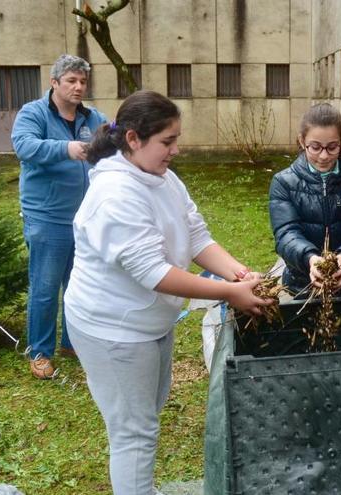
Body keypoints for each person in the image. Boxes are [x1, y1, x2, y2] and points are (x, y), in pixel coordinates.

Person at [63, 90, 269, 495]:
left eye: (176, 139)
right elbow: (153, 272)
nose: (176, 150)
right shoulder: (114, 194)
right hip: (113, 329)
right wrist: (229, 293)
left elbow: (195, 235)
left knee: (145, 416)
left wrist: (236, 272)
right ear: (134, 139)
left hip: (150, 320)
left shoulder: (162, 178)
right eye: (167, 142)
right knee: (133, 434)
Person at [11, 54, 106, 379]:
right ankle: (40, 352)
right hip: (46, 218)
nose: (79, 87)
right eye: (71, 81)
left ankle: (72, 342)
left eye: (82, 81)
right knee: (46, 286)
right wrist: (66, 149)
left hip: (84, 218)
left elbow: (112, 140)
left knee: (79, 285)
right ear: (54, 83)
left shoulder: (92, 118)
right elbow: (24, 146)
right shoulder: (33, 113)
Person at [269, 103, 341, 298]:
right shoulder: (283, 182)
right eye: (315, 147)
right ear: (302, 141)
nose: (324, 156)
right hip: (301, 284)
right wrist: (310, 259)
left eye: (332, 147)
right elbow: (286, 234)